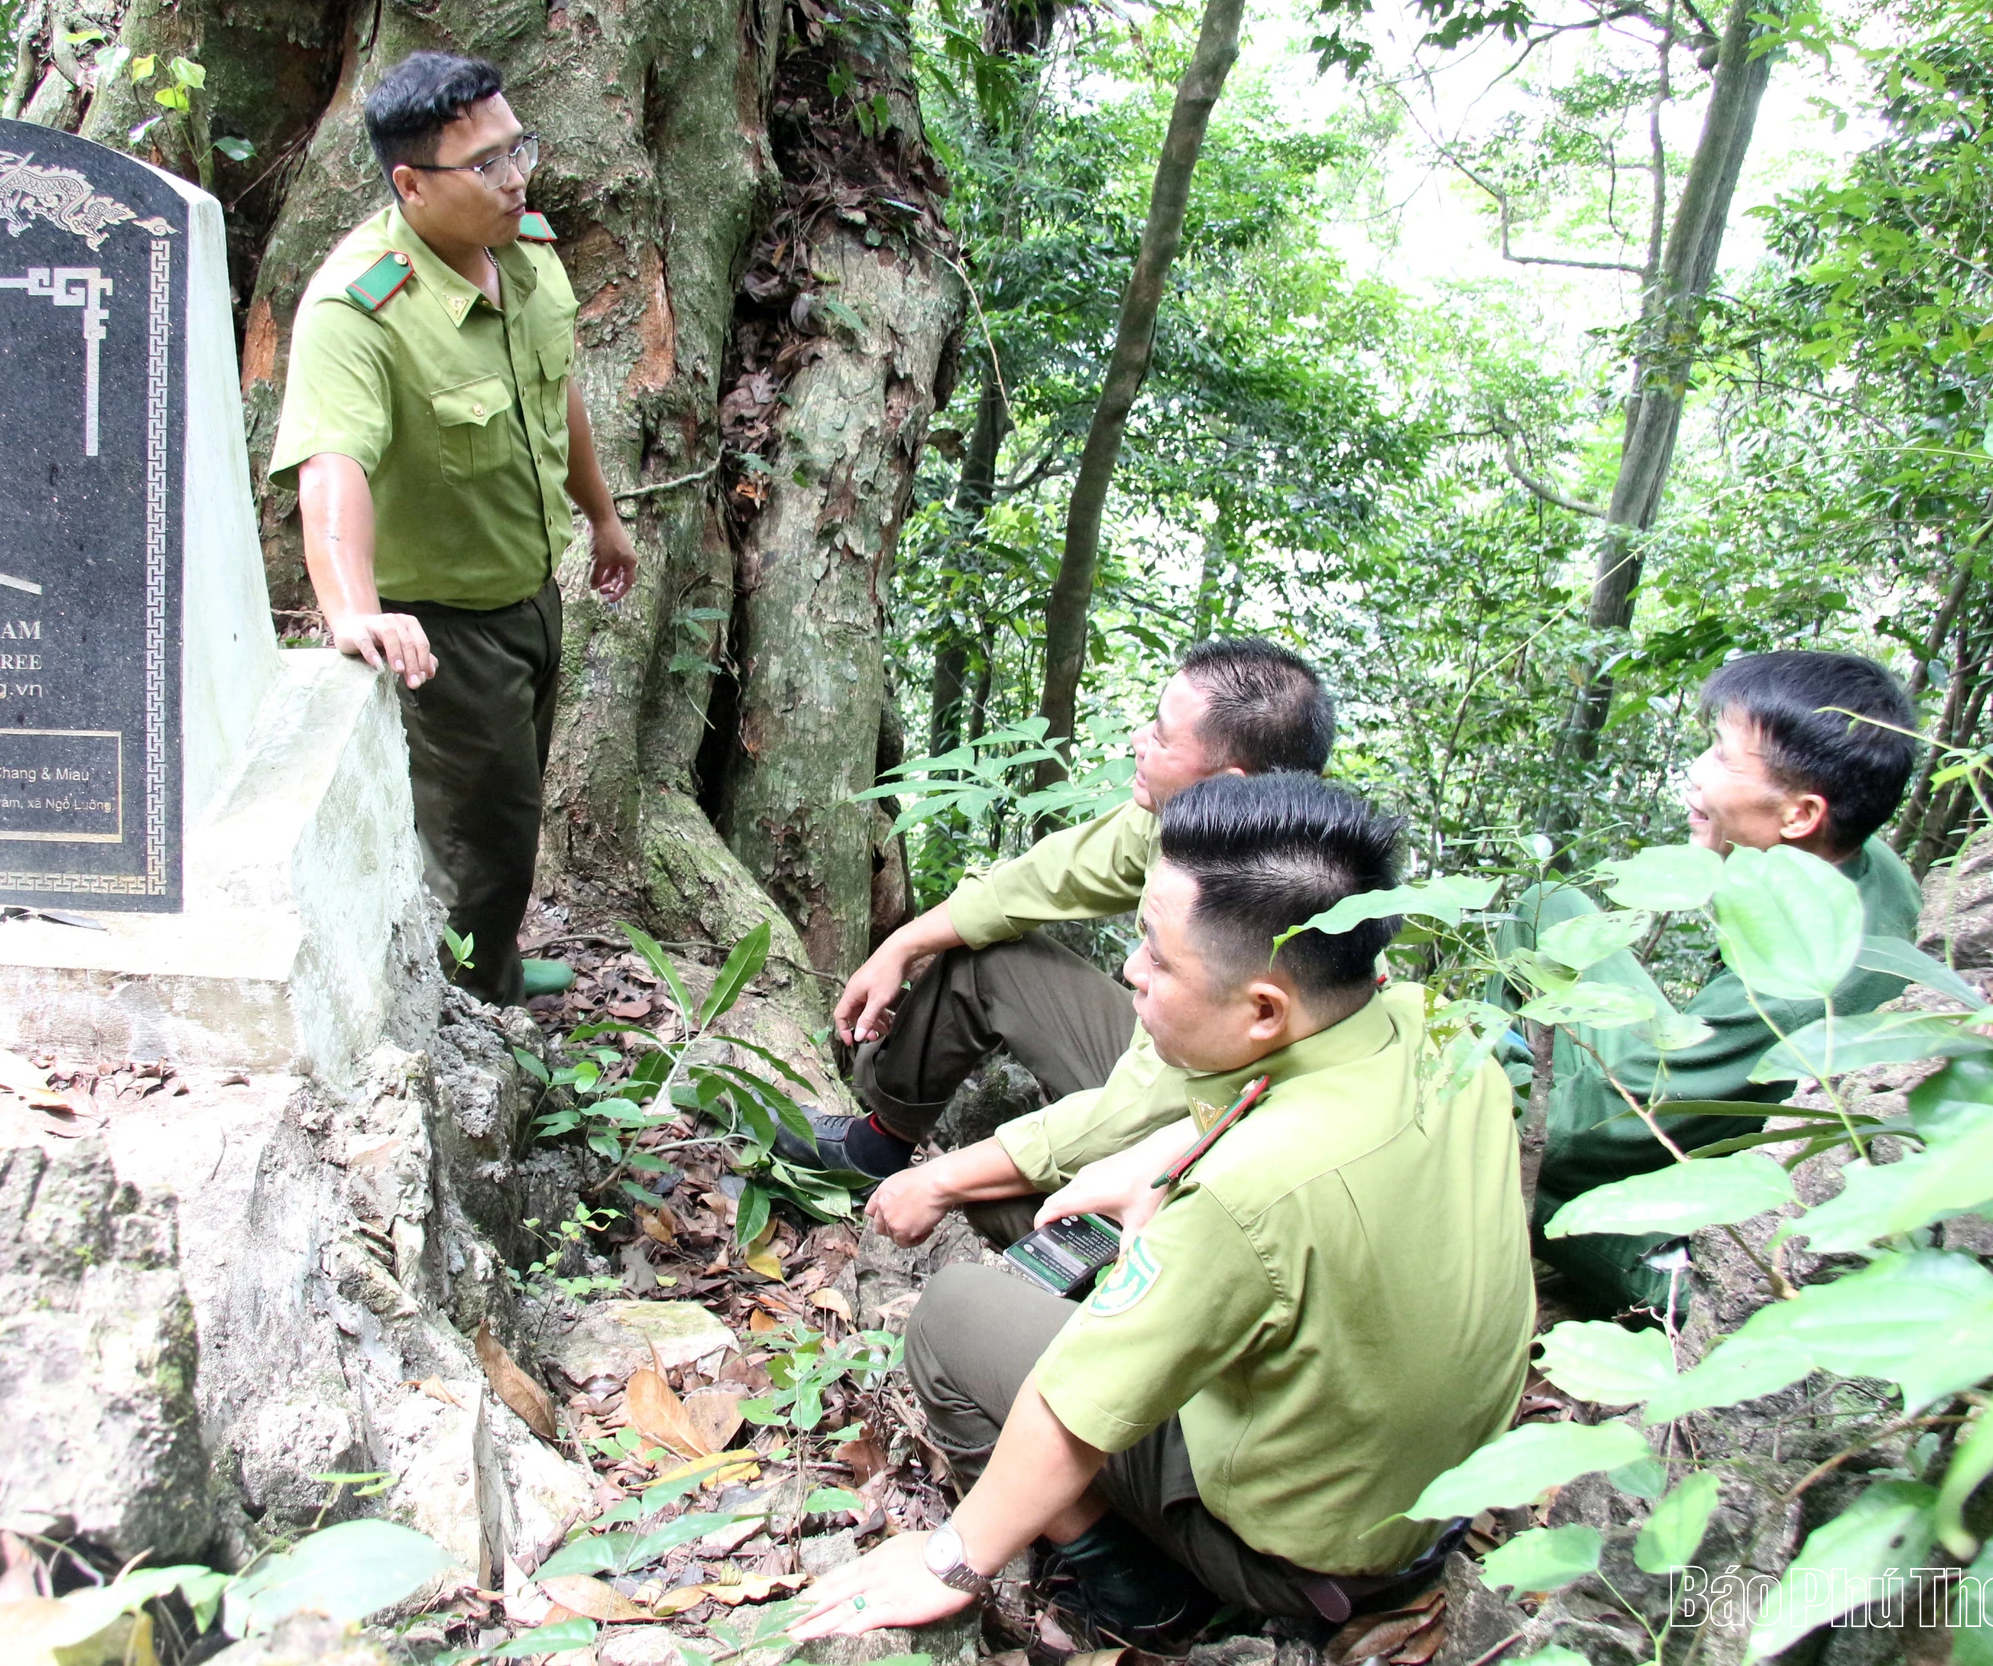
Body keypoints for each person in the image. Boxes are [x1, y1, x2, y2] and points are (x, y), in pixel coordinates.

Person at [790, 774, 1534, 1648]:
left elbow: (1077, 1408)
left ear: (1264, 1009)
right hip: (1420, 1497)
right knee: (1071, 1231)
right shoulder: (1437, 1027)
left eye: (1159, 957)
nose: (1130, 971)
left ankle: (1138, 1591)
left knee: (954, 1317)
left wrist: (950, 1559)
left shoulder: (1246, 1193)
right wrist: (1160, 1166)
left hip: (1298, 1555)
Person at [267, 52, 637, 1007]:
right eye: (488, 165)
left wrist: (600, 517)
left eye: (521, 150)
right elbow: (331, 466)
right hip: (443, 625)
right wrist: (352, 611)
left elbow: (557, 395)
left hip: (529, 593)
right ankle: (467, 1002)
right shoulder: (360, 308)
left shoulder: (527, 249)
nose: (517, 178)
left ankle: (492, 962)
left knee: (510, 804)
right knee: (483, 831)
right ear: (412, 183)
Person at [779, 638, 1334, 1180]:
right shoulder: (1185, 817)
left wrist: (951, 1177)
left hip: (1215, 1133)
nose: (1139, 741)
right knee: (981, 955)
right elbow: (1044, 877)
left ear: (1226, 782)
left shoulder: (1269, 900)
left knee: (996, 1201)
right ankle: (879, 1143)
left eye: (1162, 738)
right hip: (1161, 1060)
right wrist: (901, 946)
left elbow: (1147, 1103)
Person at [1508, 650, 1922, 1315]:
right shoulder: (1863, 861)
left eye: (1724, 761)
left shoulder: (1800, 982)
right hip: (1712, 1098)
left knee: (1497, 1152)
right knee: (1546, 912)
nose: (1696, 775)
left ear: (1799, 816)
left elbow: (1574, 1137)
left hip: (1700, 1247)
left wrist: (1497, 1071)